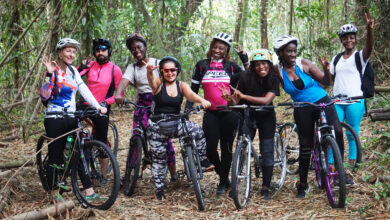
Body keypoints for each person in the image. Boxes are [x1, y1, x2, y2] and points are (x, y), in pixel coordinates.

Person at [273, 35, 344, 198]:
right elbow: (266, 83)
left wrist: (326, 69)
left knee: (337, 131)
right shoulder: (277, 71)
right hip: (301, 107)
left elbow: (326, 82)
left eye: (294, 51)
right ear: (281, 53)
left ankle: (341, 173)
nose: (292, 54)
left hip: (322, 101)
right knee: (306, 146)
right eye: (288, 51)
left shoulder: (304, 64)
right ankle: (302, 184)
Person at [42, 38, 107, 202]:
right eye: (67, 51)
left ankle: (89, 191)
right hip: (54, 118)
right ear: (59, 52)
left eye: (73, 51)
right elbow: (44, 97)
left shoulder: (72, 71)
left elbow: (83, 89)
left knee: (79, 152)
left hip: (71, 116)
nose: (71, 54)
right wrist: (49, 74)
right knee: (55, 155)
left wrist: (98, 106)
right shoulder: (53, 70)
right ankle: (54, 193)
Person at [186, 32, 248, 195]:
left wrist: (244, 59)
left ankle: (222, 183)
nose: (217, 50)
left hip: (230, 112)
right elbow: (193, 90)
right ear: (211, 47)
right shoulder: (201, 65)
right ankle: (224, 177)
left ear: (226, 50)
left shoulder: (232, 66)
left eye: (221, 48)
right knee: (209, 148)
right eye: (215, 46)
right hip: (211, 112)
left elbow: (249, 77)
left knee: (226, 148)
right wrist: (187, 110)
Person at [145, 56, 213, 200]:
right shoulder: (158, 83)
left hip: (176, 123)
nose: (170, 73)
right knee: (159, 159)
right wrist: (150, 72)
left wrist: (202, 100)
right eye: (166, 70)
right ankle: (159, 188)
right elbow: (151, 83)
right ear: (162, 72)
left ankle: (201, 159)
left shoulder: (181, 85)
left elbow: (191, 95)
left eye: (173, 70)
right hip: (158, 126)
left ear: (177, 70)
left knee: (197, 131)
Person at [114, 33, 178, 181]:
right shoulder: (133, 67)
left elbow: (170, 79)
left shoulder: (158, 62)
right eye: (133, 49)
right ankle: (130, 175)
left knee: (164, 137)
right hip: (142, 103)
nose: (136, 51)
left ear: (145, 47)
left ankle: (173, 173)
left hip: (159, 102)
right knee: (136, 136)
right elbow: (124, 81)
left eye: (139, 47)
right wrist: (118, 93)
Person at [220, 49, 280, 200]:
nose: (262, 67)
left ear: (269, 64)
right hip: (248, 115)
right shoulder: (243, 78)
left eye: (265, 64)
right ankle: (237, 184)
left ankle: (266, 186)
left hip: (266, 116)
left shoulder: (273, 78)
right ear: (252, 66)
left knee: (267, 151)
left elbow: (267, 100)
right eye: (258, 65)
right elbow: (235, 101)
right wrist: (229, 99)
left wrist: (244, 96)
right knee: (241, 149)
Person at [328, 13, 374, 183]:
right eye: (345, 38)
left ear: (355, 39)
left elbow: (369, 48)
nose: (349, 40)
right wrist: (326, 67)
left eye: (351, 37)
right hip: (338, 102)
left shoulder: (359, 57)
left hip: (355, 101)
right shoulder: (337, 58)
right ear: (341, 40)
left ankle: (352, 169)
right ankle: (333, 169)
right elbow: (331, 79)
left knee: (352, 133)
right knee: (334, 132)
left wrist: (370, 30)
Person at [77, 38, 123, 179]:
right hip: (86, 104)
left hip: (102, 106)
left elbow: (119, 93)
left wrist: (105, 103)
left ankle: (102, 174)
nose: (100, 52)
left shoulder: (115, 69)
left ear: (109, 52)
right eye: (97, 50)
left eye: (103, 50)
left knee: (101, 141)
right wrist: (81, 67)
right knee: (69, 126)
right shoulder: (90, 66)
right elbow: (74, 77)